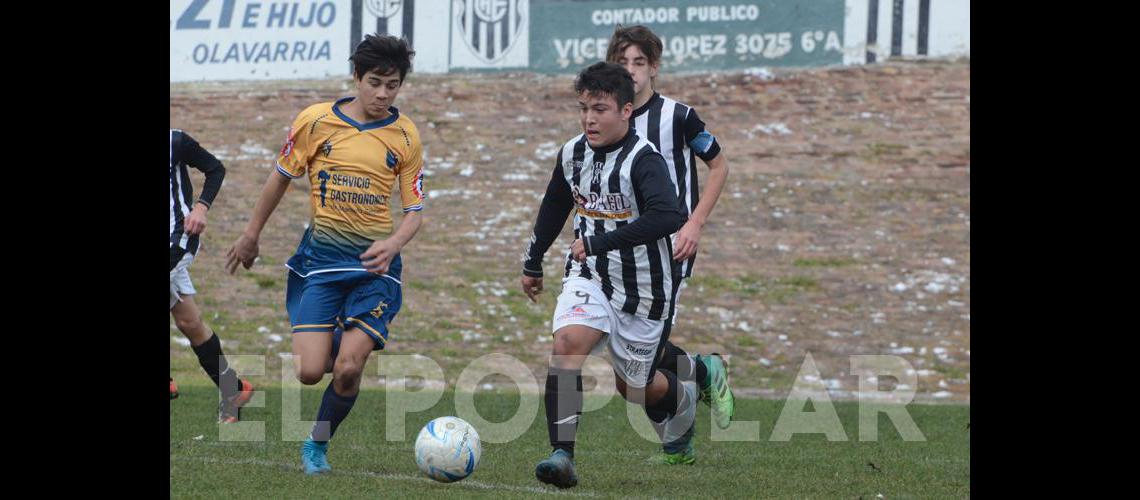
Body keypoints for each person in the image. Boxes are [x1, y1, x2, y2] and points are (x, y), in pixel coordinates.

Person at [225, 34, 426, 476]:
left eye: (392, 85)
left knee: (350, 368)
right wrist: (251, 235)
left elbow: (414, 211)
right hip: (322, 263)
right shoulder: (315, 122)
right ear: (356, 76)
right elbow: (279, 178)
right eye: (375, 82)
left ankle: (316, 445)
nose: (382, 93)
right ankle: (344, 334)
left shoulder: (406, 135)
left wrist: (394, 243)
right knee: (311, 371)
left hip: (376, 268)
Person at [521, 62, 693, 489]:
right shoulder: (572, 152)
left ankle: (683, 397)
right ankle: (562, 455)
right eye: (583, 109)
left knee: (634, 388)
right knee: (566, 344)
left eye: (600, 109)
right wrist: (533, 260)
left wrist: (601, 241)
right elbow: (554, 205)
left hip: (645, 291)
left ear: (626, 111)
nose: (589, 119)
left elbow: (669, 216)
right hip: (590, 276)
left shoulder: (643, 159)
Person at [607, 25, 735, 440]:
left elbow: (719, 164)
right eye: (623, 63)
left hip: (669, 249)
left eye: (639, 63)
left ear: (654, 67)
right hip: (621, 251)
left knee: (636, 361)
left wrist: (694, 222)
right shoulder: (607, 121)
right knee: (626, 352)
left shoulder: (678, 117)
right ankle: (701, 371)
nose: (631, 71)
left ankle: (676, 431)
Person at [169, 128, 254, 421]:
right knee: (189, 322)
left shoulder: (175, 141)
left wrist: (201, 208)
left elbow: (215, 168)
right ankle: (235, 390)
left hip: (179, 235)